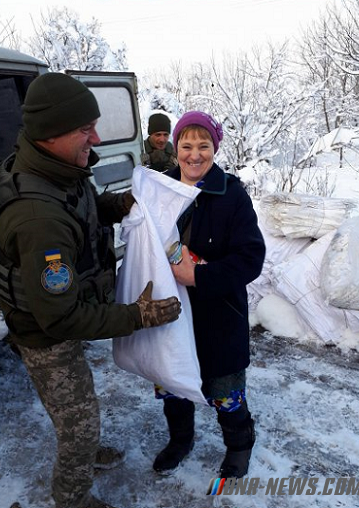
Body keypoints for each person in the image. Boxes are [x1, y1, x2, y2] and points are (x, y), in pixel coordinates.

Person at [0, 73, 181, 508]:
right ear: (50, 134)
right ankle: (72, 496)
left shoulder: (53, 167)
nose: (96, 137)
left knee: (78, 403)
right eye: (83, 129)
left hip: (54, 311)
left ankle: (84, 451)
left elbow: (84, 209)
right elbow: (62, 317)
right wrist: (138, 316)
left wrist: (121, 204)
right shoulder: (38, 219)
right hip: (44, 332)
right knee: (80, 421)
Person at [152, 111, 266, 479]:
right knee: (173, 385)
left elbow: (251, 259)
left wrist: (198, 275)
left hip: (218, 316)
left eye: (204, 146)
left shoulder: (231, 195)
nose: (195, 155)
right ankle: (180, 440)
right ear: (175, 148)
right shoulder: (160, 189)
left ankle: (239, 445)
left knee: (225, 393)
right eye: (186, 145)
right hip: (171, 314)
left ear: (215, 148)